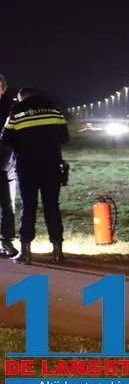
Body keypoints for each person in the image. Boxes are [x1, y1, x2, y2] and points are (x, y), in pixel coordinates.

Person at [0, 87, 69, 264]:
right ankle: (58, 253)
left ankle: (26, 253)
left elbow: (5, 140)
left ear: (21, 99)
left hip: (27, 168)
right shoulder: (55, 112)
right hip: (51, 167)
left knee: (28, 207)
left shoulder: (16, 115)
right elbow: (65, 138)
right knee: (52, 207)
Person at [0, 75, 18, 257]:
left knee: (7, 205)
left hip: (6, 163)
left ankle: (6, 240)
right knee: (7, 205)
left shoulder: (11, 108)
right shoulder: (12, 107)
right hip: (6, 161)